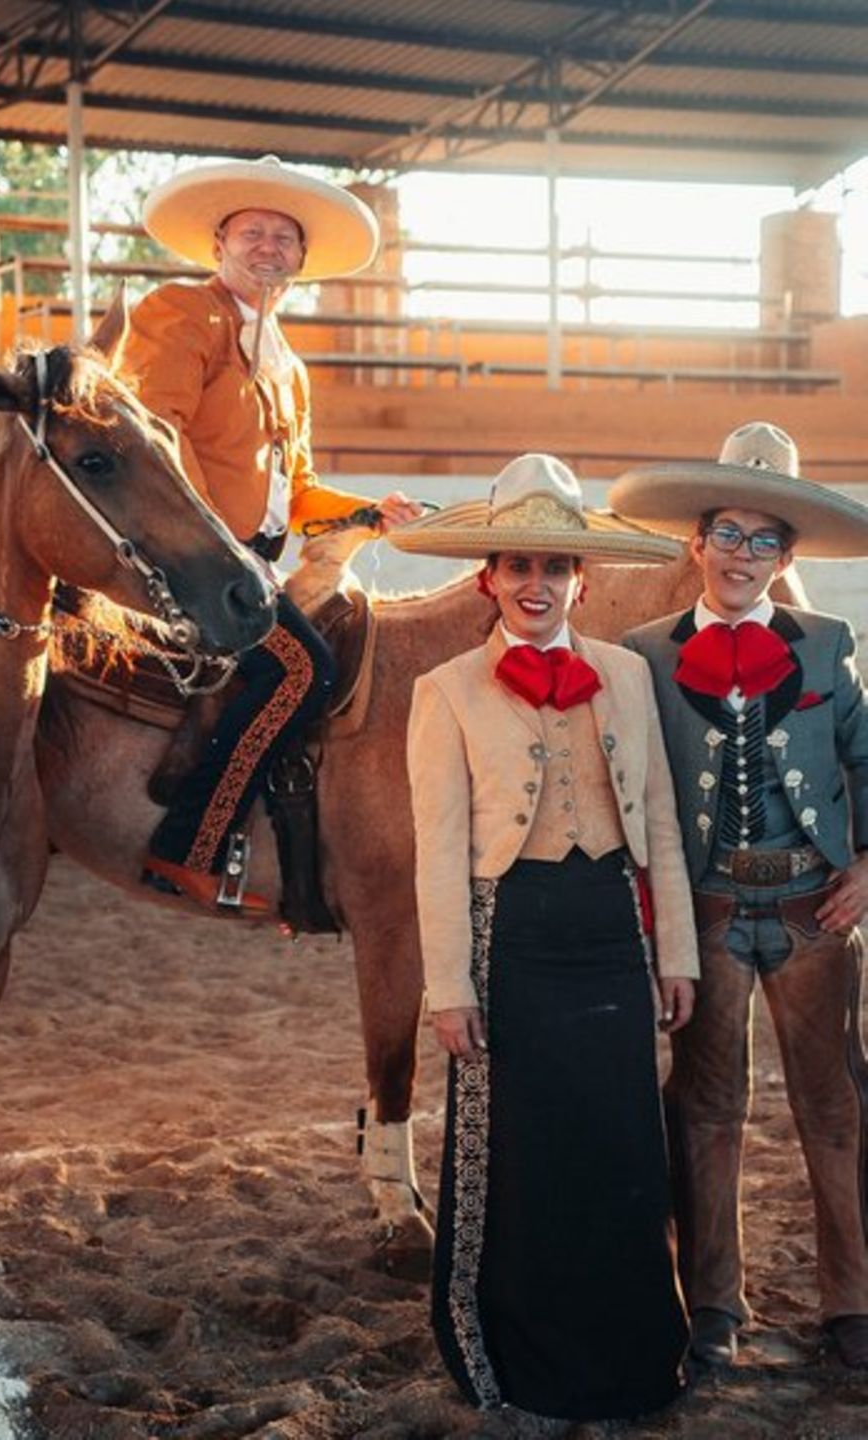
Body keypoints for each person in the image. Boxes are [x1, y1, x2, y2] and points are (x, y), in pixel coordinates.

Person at [395, 454, 697, 1419]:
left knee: (621, 1143)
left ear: (582, 579)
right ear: (488, 578)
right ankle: (520, 1359)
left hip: (610, 934)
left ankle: (630, 1359)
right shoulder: (445, 690)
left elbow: (659, 826)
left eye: (555, 567)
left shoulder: (627, 674)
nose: (537, 584)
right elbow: (439, 854)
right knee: (521, 1151)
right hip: (508, 938)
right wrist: (449, 986)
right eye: (519, 566)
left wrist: (676, 955)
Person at [611, 421, 868, 1371]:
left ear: (787, 558)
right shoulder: (644, 652)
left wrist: (867, 867)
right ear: (697, 542)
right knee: (707, 1106)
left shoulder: (827, 644)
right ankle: (715, 1302)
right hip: (710, 910)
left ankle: (853, 1300)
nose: (742, 554)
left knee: (834, 1104)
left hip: (812, 910)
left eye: (765, 539)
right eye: (727, 532)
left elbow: (866, 760)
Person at [124, 156, 421, 914]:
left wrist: (368, 512)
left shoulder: (289, 365)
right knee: (299, 669)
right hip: (183, 553)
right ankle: (189, 849)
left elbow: (297, 492)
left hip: (244, 562)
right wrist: (213, 542)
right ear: (218, 243)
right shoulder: (181, 312)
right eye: (252, 232)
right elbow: (155, 434)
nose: (268, 247)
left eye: (284, 237)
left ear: (301, 258)